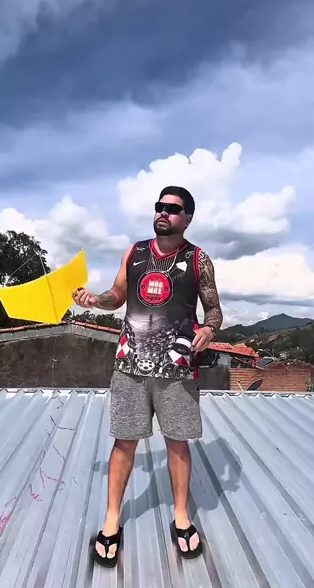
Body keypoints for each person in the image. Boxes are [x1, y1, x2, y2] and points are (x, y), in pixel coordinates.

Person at [73, 186, 223, 566]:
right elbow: (116, 295)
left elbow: (214, 310)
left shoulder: (198, 259)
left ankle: (181, 516)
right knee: (124, 443)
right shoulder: (135, 252)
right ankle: (112, 519)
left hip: (177, 368)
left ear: (187, 218)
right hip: (130, 365)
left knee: (178, 443)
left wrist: (209, 329)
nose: (163, 213)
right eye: (159, 206)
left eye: (172, 208)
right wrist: (95, 300)